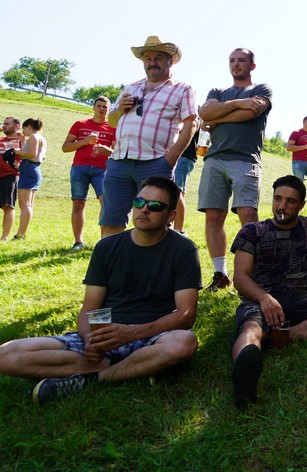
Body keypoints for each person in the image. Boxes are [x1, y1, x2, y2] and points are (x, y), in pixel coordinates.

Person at [0, 176, 201, 405]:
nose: (144, 210)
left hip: (152, 337)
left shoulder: (183, 250)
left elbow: (186, 315)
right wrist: (90, 340)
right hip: (106, 336)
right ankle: (133, 368)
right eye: (139, 202)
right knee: (5, 355)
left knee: (184, 342)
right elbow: (90, 308)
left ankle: (94, 379)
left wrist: (132, 333)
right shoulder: (107, 246)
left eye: (155, 206)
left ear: (171, 216)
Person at [230, 175, 307, 409]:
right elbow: (240, 277)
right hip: (259, 297)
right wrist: (264, 298)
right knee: (251, 329)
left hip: (300, 297)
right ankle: (244, 379)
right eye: (277, 199)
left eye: (290, 201)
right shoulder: (252, 232)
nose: (282, 206)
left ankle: (281, 336)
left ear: (301, 205)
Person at [101, 36, 198, 237]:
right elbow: (112, 121)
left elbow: (191, 124)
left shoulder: (182, 89)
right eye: (148, 58)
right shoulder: (131, 87)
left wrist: (170, 159)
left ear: (170, 60)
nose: (152, 62)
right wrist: (119, 110)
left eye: (158, 58)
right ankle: (111, 257)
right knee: (111, 219)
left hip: (155, 163)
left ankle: (153, 259)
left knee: (155, 222)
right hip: (119, 161)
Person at [197, 48, 273, 291]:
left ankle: (256, 272)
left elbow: (251, 112)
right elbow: (205, 112)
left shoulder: (262, 89)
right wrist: (239, 103)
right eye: (232, 60)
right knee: (213, 215)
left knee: (247, 213)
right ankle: (220, 274)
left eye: (241, 60)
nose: (236, 64)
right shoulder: (217, 91)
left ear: (252, 65)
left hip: (246, 159)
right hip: (215, 159)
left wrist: (217, 118)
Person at [62, 97, 116, 251]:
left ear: (109, 109)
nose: (101, 109)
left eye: (105, 107)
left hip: (102, 170)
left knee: (106, 203)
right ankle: (78, 242)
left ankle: (103, 242)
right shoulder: (80, 124)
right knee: (78, 203)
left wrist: (108, 151)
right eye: (99, 106)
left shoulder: (113, 128)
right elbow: (65, 147)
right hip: (80, 168)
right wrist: (84, 141)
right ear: (93, 107)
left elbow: (117, 152)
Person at [12, 118, 46, 240]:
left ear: (29, 127)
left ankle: (20, 234)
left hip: (29, 170)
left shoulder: (33, 137)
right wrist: (23, 141)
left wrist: (16, 151)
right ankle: (21, 233)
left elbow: (32, 153)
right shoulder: (41, 138)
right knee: (28, 205)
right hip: (33, 169)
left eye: (24, 129)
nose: (23, 131)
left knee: (24, 205)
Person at [172, 129, 200, 235]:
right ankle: (170, 227)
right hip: (176, 154)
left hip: (184, 155)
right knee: (174, 191)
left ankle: (179, 231)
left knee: (177, 191)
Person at [0, 116, 23, 241]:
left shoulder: (21, 140)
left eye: (7, 124)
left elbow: (33, 154)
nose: (4, 126)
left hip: (10, 176)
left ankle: (4, 238)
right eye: (3, 123)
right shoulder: (1, 139)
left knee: (7, 206)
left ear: (16, 126)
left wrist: (20, 165)